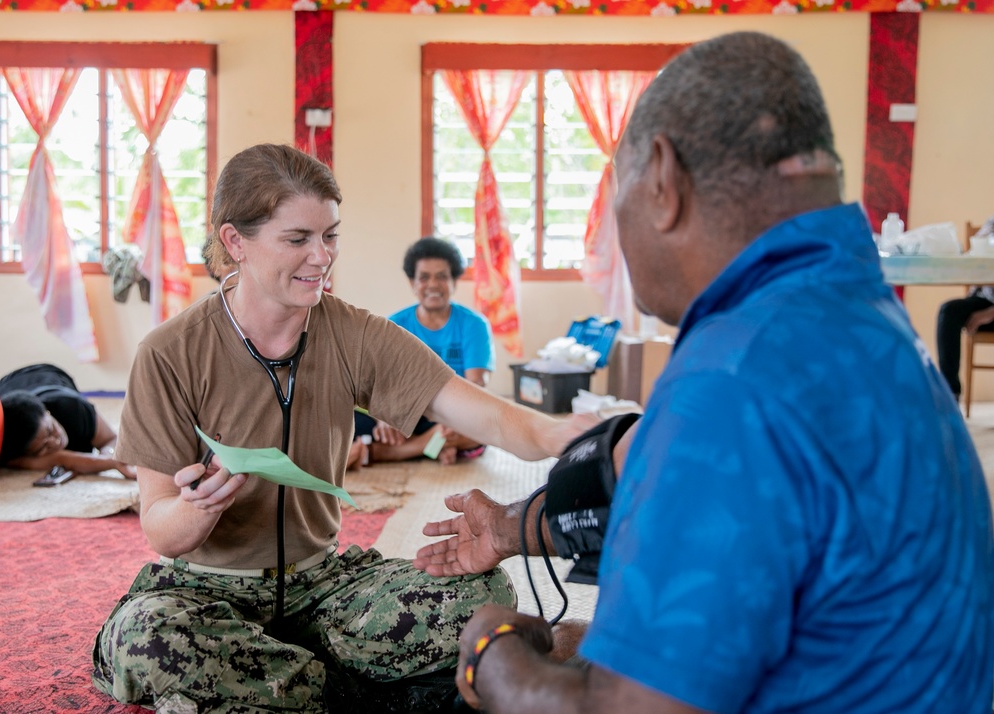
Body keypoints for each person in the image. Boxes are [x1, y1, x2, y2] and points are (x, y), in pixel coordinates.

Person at [413, 32, 994, 714]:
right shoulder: (864, 324)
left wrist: (494, 652)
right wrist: (515, 528)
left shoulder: (732, 381)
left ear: (660, 178)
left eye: (615, 191)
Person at [91, 143, 596, 713]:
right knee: (149, 639)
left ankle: (277, 691)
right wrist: (199, 507)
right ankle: (353, 692)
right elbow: (161, 529)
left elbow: (486, 413)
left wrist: (566, 437)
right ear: (235, 242)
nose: (321, 256)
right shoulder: (169, 353)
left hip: (325, 588)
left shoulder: (354, 334)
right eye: (298, 239)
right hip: (207, 594)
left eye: (330, 235)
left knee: (481, 594)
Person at [354, 236, 494, 466]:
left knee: (484, 423)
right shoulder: (395, 325)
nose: (433, 285)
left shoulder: (474, 324)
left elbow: (476, 385)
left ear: (454, 281)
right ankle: (432, 446)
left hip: (451, 414)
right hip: (404, 413)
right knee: (346, 421)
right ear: (412, 283)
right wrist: (386, 416)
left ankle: (394, 452)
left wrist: (448, 419)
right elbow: (380, 385)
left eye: (442, 276)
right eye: (424, 277)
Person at [0, 363, 135, 478]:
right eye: (43, 448)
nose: (56, 442)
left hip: (43, 373)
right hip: (5, 389)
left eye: (51, 430)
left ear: (47, 412)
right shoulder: (6, 448)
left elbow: (110, 439)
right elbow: (58, 459)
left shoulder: (73, 408)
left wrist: (107, 457)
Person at [936, 214, 994, 401]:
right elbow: (977, 249)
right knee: (949, 311)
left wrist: (990, 314)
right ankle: (950, 395)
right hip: (985, 298)